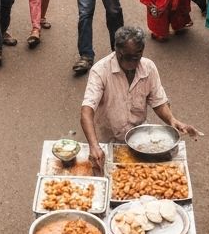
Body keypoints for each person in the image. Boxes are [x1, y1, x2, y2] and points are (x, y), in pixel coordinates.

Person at [79, 25, 195, 170]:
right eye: (128, 57)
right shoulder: (100, 71)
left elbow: (158, 102)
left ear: (142, 52)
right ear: (117, 52)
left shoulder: (149, 67)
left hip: (140, 140)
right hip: (108, 139)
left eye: (137, 57)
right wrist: (94, 145)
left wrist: (172, 119)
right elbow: (87, 111)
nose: (133, 63)